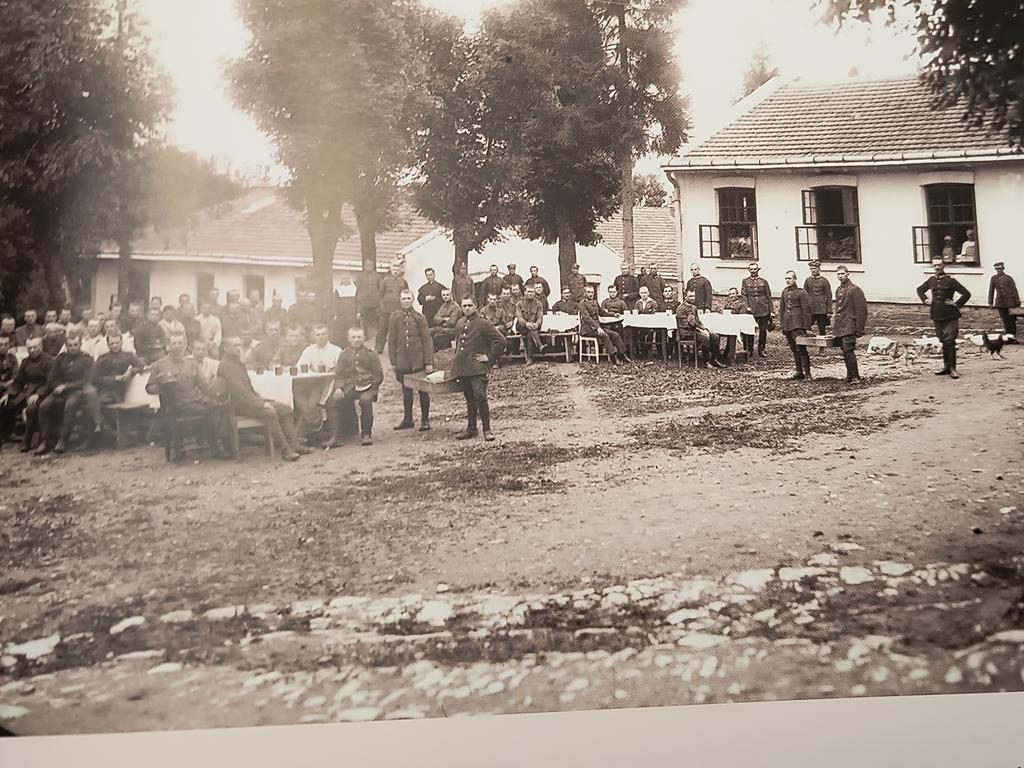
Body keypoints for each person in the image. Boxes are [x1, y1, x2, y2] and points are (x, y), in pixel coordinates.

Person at [219, 336, 310, 462]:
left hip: (250, 401)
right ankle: (286, 450)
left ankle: (295, 444)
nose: (238, 349)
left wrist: (262, 400)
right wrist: (261, 404)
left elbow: (248, 389)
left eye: (239, 345)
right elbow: (239, 392)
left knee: (286, 409)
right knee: (270, 412)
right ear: (225, 348)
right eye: (234, 346)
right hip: (240, 405)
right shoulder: (226, 366)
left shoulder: (236, 362)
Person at [147, 332, 231, 461]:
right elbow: (149, 387)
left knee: (221, 407)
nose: (177, 346)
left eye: (180, 343)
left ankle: (220, 444)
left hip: (196, 399)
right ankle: (214, 447)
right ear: (168, 346)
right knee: (208, 411)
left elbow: (204, 386)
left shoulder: (191, 363)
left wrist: (219, 391)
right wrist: (164, 387)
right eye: (174, 343)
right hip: (177, 405)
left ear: (185, 345)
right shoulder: (160, 365)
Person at [451, 296, 505, 441]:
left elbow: (501, 341)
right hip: (463, 367)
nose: (467, 308)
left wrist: (489, 357)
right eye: (464, 305)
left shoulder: (483, 323)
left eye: (469, 305)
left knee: (480, 396)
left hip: (477, 368)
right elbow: (458, 344)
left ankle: (487, 430)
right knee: (469, 398)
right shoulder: (460, 322)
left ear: (475, 306)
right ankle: (471, 429)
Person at [35, 333, 100, 454]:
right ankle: (45, 440)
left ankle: (62, 440)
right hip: (59, 391)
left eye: (75, 345)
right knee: (44, 406)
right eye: (70, 345)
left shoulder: (87, 359)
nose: (73, 348)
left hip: (77, 391)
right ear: (66, 346)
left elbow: (86, 380)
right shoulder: (60, 358)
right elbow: (52, 377)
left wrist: (66, 386)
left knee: (70, 406)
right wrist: (57, 386)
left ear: (80, 344)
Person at [327, 326, 384, 448]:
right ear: (348, 339)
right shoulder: (344, 354)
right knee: (333, 401)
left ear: (364, 338)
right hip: (349, 387)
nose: (356, 340)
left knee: (365, 401)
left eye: (359, 337)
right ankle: (336, 435)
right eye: (353, 337)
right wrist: (339, 388)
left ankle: (366, 434)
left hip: (367, 386)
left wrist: (372, 387)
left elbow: (378, 375)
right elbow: (340, 374)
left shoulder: (371, 354)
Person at [917, 259, 971, 379]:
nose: (937, 267)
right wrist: (925, 300)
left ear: (943, 266)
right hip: (937, 314)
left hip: (951, 314)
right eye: (935, 265)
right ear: (932, 266)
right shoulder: (931, 281)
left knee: (950, 341)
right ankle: (946, 367)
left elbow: (966, 294)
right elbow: (919, 290)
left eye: (939, 265)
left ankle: (952, 368)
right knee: (942, 340)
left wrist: (956, 304)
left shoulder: (951, 281)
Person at [389, 289, 434, 432]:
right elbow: (392, 340)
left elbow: (427, 340)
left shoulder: (419, 317)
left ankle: (425, 420)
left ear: (413, 299)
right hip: (402, 359)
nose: (406, 301)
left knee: (423, 390)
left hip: (418, 360)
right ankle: (408, 419)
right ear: (400, 300)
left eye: (408, 298)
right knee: (406, 390)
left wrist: (428, 362)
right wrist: (393, 360)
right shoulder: (394, 317)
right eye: (404, 298)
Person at [2, 337, 53, 451]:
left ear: (41, 347)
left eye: (35, 347)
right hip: (28, 390)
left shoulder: (48, 360)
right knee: (6, 404)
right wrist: (9, 393)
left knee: (32, 408)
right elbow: (19, 381)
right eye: (30, 348)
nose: (32, 350)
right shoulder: (25, 361)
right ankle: (6, 435)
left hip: (43, 390)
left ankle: (29, 440)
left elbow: (50, 381)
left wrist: (39, 394)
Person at [294, 323, 342, 439]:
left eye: (323, 334)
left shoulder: (336, 350)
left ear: (328, 335)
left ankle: (300, 435)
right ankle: (314, 430)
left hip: (330, 383)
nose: (320, 337)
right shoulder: (309, 350)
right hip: (313, 384)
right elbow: (300, 367)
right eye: (318, 335)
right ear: (314, 336)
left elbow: (340, 371)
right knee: (305, 402)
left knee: (312, 403)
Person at [831, 265, 868, 385]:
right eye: (838, 274)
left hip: (850, 325)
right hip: (841, 325)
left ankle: (855, 376)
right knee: (844, 350)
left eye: (842, 274)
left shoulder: (854, 290)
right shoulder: (838, 290)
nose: (840, 276)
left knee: (848, 349)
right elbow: (838, 309)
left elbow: (861, 311)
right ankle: (849, 375)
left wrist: (859, 328)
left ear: (848, 274)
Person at [579, 286, 629, 365]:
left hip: (598, 327)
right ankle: (614, 358)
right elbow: (587, 318)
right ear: (584, 293)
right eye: (588, 292)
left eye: (592, 292)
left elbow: (602, 312)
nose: (590, 294)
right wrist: (598, 327)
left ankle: (623, 355)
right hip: (587, 329)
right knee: (604, 335)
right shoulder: (582, 304)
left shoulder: (595, 302)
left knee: (615, 335)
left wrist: (613, 314)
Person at [93, 332, 144, 406]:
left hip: (125, 391)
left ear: (121, 343)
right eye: (112, 343)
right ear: (108, 345)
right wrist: (114, 378)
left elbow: (141, 366)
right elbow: (95, 379)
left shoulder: (128, 356)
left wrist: (130, 371)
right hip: (107, 391)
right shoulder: (103, 359)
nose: (115, 345)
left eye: (117, 343)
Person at [779, 270, 814, 380]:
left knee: (801, 348)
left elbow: (806, 310)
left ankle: (807, 373)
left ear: (795, 279)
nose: (787, 281)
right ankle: (799, 371)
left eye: (789, 278)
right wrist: (782, 324)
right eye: (786, 278)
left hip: (798, 324)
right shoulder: (784, 292)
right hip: (788, 324)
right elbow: (782, 309)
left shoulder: (801, 292)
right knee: (793, 348)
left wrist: (806, 327)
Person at [677, 290, 725, 368]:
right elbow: (685, 324)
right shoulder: (681, 308)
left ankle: (715, 359)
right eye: (690, 296)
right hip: (686, 333)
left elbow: (698, 321)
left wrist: (705, 329)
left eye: (694, 296)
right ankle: (706, 362)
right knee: (705, 337)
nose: (693, 298)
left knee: (714, 335)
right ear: (685, 297)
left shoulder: (694, 307)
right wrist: (700, 330)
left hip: (694, 330)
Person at [741, 262, 774, 357]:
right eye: (751, 269)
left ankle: (762, 349)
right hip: (751, 309)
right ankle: (749, 349)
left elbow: (768, 296)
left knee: (763, 330)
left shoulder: (763, 281)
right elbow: (744, 295)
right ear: (749, 270)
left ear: (758, 270)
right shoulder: (745, 281)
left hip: (763, 309)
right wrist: (747, 306)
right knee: (749, 330)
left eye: (755, 269)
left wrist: (771, 311)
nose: (753, 271)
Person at [376, 263, 409, 354]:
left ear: (400, 271)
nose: (395, 271)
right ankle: (379, 347)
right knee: (382, 328)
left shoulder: (403, 282)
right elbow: (380, 295)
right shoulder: (385, 281)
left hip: (398, 309)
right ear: (391, 270)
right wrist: (382, 307)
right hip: (386, 309)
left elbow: (406, 293)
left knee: (398, 329)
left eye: (397, 270)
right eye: (394, 269)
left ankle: (398, 348)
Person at [988, 261, 1020, 340]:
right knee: (1005, 319)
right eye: (997, 269)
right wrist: (990, 302)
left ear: (1003, 269)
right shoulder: (994, 278)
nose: (999, 271)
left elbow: (1014, 290)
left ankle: (1012, 336)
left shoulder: (1008, 278)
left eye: (1000, 269)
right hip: (1000, 303)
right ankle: (1007, 336)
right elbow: (991, 290)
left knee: (1011, 320)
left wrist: (1017, 301)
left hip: (1010, 302)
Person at [515, 281, 545, 364]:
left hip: (533, 326)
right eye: (529, 291)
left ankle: (529, 359)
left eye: (532, 292)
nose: (530, 294)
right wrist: (526, 324)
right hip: (522, 326)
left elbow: (540, 317)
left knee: (530, 334)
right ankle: (540, 345)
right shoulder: (519, 304)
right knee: (529, 331)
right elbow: (519, 317)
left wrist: (537, 324)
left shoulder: (539, 304)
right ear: (524, 292)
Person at [803, 260, 833, 336]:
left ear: (819, 269)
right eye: (811, 269)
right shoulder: (808, 280)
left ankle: (821, 347)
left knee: (822, 329)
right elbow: (804, 295)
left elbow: (829, 296)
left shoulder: (824, 281)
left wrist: (829, 310)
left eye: (815, 268)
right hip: (811, 308)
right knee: (806, 327)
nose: (813, 270)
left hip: (821, 309)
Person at [634, 285, 659, 358]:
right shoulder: (638, 303)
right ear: (639, 294)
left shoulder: (653, 302)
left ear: (648, 293)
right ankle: (642, 351)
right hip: (640, 324)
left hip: (651, 323)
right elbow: (636, 312)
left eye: (645, 293)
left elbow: (655, 313)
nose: (643, 294)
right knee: (639, 333)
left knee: (650, 333)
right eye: (642, 293)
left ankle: (646, 351)